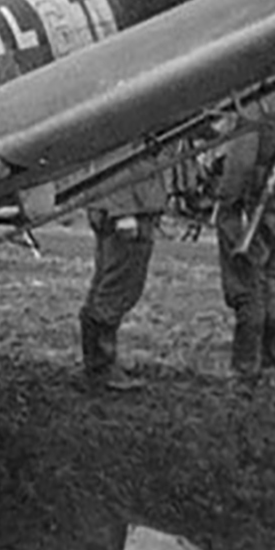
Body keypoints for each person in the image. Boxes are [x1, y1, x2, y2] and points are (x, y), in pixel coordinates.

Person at [214, 88, 275, 387]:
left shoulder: (260, 103)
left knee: (247, 284)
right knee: (269, 280)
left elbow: (241, 163)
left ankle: (246, 367)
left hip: (255, 206)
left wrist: (226, 204)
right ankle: (272, 357)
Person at [79, 158, 168, 392]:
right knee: (118, 288)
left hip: (121, 206)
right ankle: (101, 366)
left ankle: (100, 362)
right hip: (128, 210)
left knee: (108, 284)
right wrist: (123, 213)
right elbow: (118, 157)